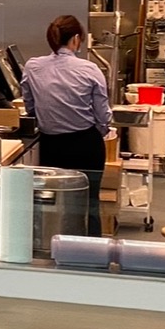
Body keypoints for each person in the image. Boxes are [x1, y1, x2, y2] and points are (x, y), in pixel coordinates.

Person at [20, 15, 111, 237]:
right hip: (85, 145)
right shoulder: (89, 69)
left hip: (50, 145)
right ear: (76, 39)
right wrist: (98, 130)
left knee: (50, 202)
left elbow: (29, 105)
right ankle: (90, 257)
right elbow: (103, 115)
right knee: (88, 204)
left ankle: (50, 250)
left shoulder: (33, 67)